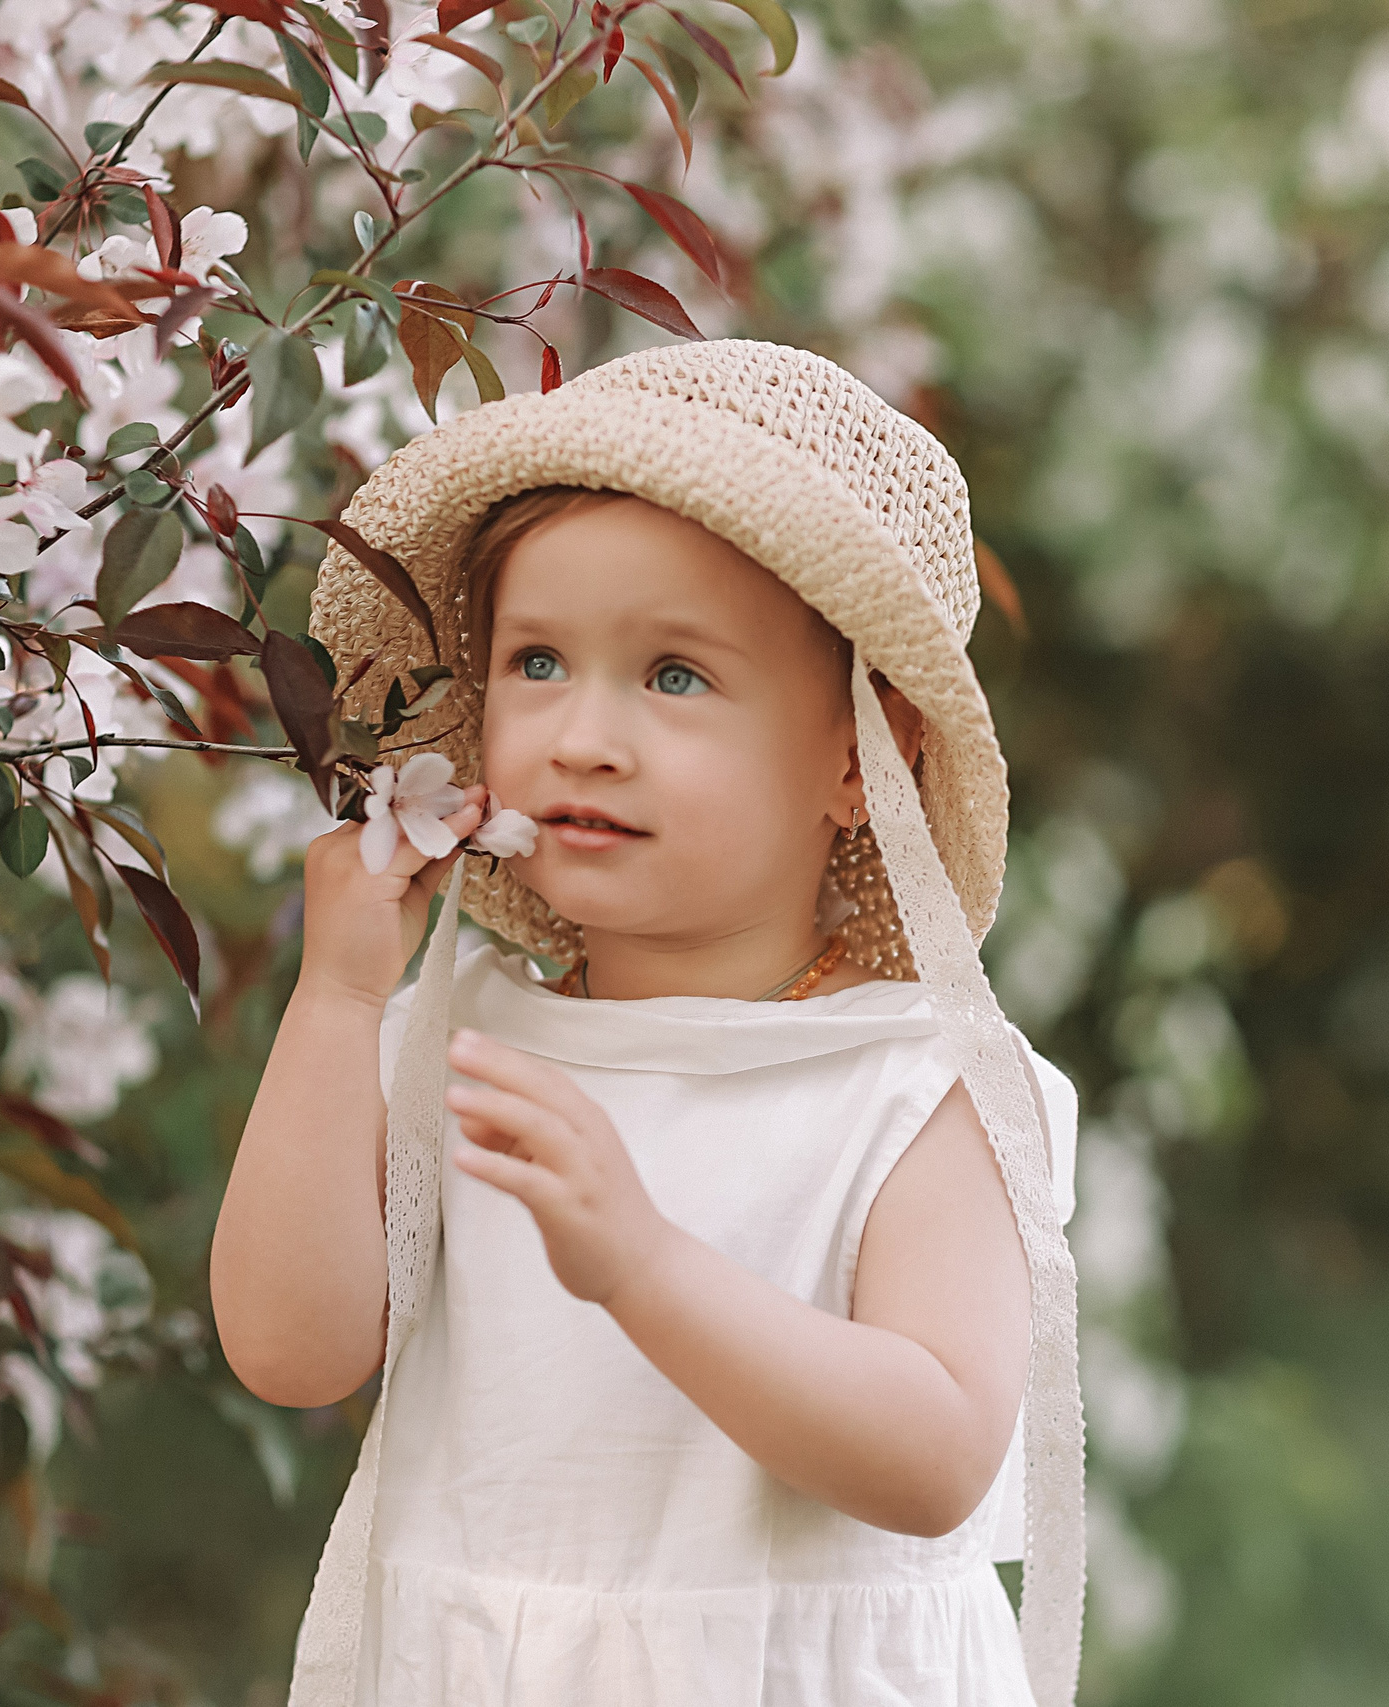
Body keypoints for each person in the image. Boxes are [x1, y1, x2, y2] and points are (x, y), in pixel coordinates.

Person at [210, 341, 1086, 1707]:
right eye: (539, 661)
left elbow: (937, 1456)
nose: (582, 737)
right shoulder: (463, 1045)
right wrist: (333, 1003)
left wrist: (643, 1266)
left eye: (675, 676)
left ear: (861, 758)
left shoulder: (914, 1089)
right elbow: (289, 1347)